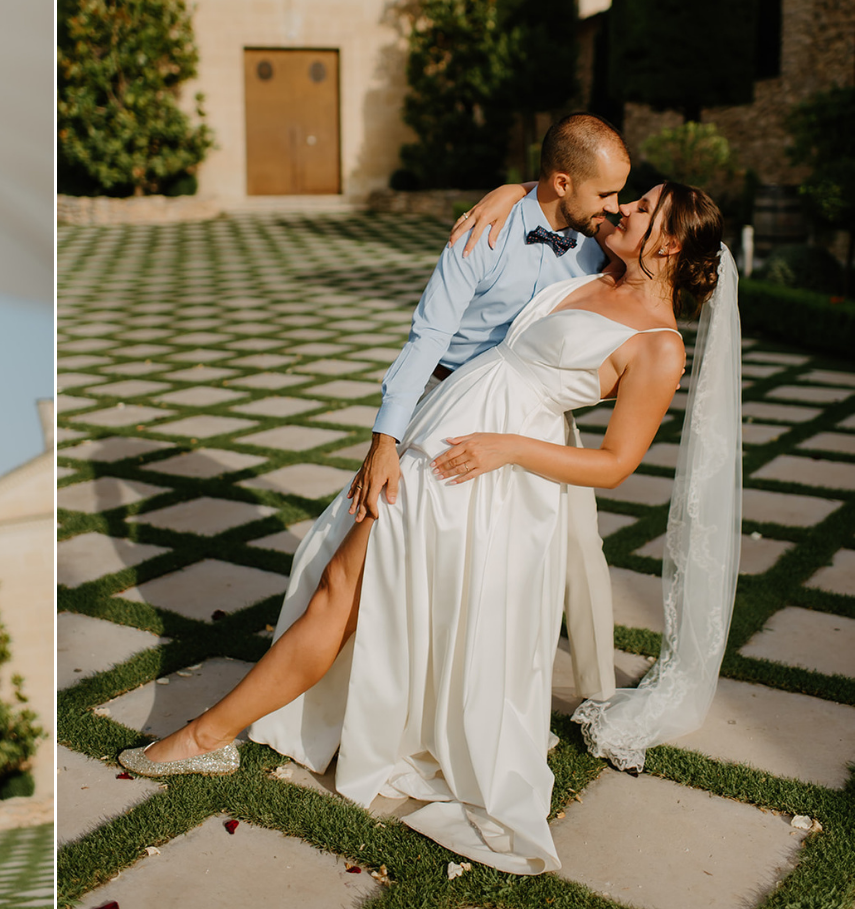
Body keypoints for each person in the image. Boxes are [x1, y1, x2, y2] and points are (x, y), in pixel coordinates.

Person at [120, 181, 737, 875]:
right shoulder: (591, 266)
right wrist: (508, 193)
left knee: (342, 591)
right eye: (630, 198)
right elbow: (558, 192)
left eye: (644, 207)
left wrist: (506, 449)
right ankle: (219, 733)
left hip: (476, 476)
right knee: (345, 587)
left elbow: (615, 463)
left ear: (672, 242)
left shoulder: (658, 348)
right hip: (438, 435)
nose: (623, 207)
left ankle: (205, 736)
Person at [352, 113, 634, 703]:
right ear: (562, 182)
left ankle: (602, 700)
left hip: (542, 414)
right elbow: (426, 335)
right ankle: (421, 689)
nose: (617, 204)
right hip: (455, 404)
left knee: (580, 548)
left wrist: (513, 188)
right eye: (607, 192)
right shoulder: (483, 232)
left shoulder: (600, 241)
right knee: (436, 548)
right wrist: (385, 439)